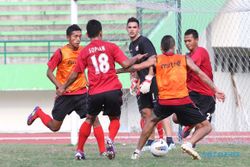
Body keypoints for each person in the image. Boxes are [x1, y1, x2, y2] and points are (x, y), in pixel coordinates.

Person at [56, 19, 146, 160]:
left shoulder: (84, 51)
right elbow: (126, 63)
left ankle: (79, 150)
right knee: (114, 118)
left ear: (87, 34)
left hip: (95, 92)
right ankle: (110, 139)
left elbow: (75, 74)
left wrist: (63, 87)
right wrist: (137, 57)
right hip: (112, 89)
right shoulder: (111, 47)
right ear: (101, 33)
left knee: (90, 118)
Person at [127, 35, 225, 160]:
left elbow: (136, 67)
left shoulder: (157, 59)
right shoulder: (184, 58)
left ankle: (136, 152)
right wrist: (216, 90)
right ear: (174, 47)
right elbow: (200, 74)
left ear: (161, 48)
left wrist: (115, 71)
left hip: (164, 102)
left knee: (151, 121)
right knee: (207, 126)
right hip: (183, 100)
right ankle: (189, 143)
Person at [26, 24, 106, 160]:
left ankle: (103, 151)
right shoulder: (61, 52)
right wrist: (60, 87)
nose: (78, 39)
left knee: (94, 119)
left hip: (81, 93)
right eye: (75, 36)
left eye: (80, 36)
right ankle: (38, 112)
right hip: (65, 96)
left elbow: (83, 69)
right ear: (68, 37)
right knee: (54, 127)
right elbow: (49, 72)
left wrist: (87, 81)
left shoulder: (83, 50)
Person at [125, 17, 175, 149]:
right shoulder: (131, 45)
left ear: (139, 29)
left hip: (153, 81)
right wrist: (134, 81)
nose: (132, 30)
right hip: (143, 83)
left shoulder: (144, 41)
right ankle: (151, 140)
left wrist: (149, 77)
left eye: (134, 27)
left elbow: (154, 59)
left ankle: (170, 141)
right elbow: (135, 67)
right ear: (126, 29)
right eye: (129, 27)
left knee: (160, 109)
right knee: (146, 112)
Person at [179, 29, 216, 139]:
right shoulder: (188, 55)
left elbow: (190, 65)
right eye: (185, 41)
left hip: (205, 95)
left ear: (197, 40)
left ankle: (191, 143)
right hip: (193, 94)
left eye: (189, 40)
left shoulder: (201, 51)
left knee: (204, 126)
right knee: (177, 118)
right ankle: (190, 126)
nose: (187, 43)